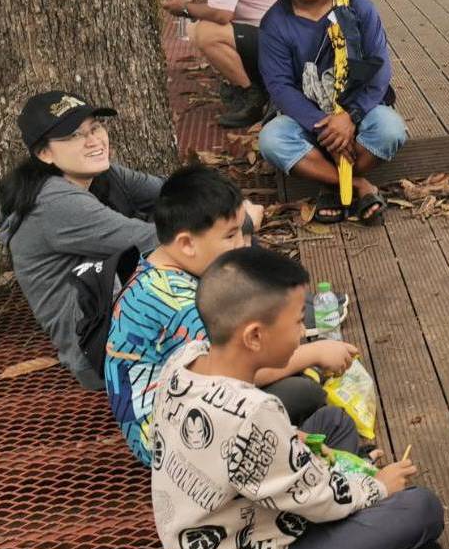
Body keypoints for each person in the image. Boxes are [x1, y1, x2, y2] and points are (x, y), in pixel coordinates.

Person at [152, 246, 444, 549]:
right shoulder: (253, 413)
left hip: (231, 527)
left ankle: (356, 525)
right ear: (255, 336)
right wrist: (375, 487)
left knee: (331, 422)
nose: (303, 332)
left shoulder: (185, 360)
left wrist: (290, 443)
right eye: (296, 322)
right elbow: (317, 498)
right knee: (422, 509)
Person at [105, 165, 353, 466]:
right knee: (303, 391)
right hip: (170, 443)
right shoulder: (182, 305)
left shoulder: (159, 269)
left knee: (290, 367)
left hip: (179, 405)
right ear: (186, 243)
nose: (241, 246)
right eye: (231, 236)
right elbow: (230, 374)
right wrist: (315, 352)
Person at [0, 92, 164, 390]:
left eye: (95, 127)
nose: (94, 141)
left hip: (131, 320)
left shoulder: (101, 174)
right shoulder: (53, 202)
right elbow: (152, 239)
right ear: (44, 153)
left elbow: (177, 193)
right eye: (74, 135)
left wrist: (220, 206)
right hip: (106, 355)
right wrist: (232, 218)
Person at [258, 0, 404, 225]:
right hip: (307, 118)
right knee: (272, 140)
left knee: (390, 130)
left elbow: (380, 68)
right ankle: (357, 185)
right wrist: (325, 127)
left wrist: (349, 116)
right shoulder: (274, 23)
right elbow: (279, 86)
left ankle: (329, 184)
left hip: (358, 110)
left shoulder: (358, 5)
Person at [162, 0, 283, 129]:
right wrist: (198, 5)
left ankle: (252, 96)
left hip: (277, 41)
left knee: (205, 32)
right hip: (280, 31)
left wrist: (184, 8)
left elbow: (221, 15)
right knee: (204, 26)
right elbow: (228, 2)